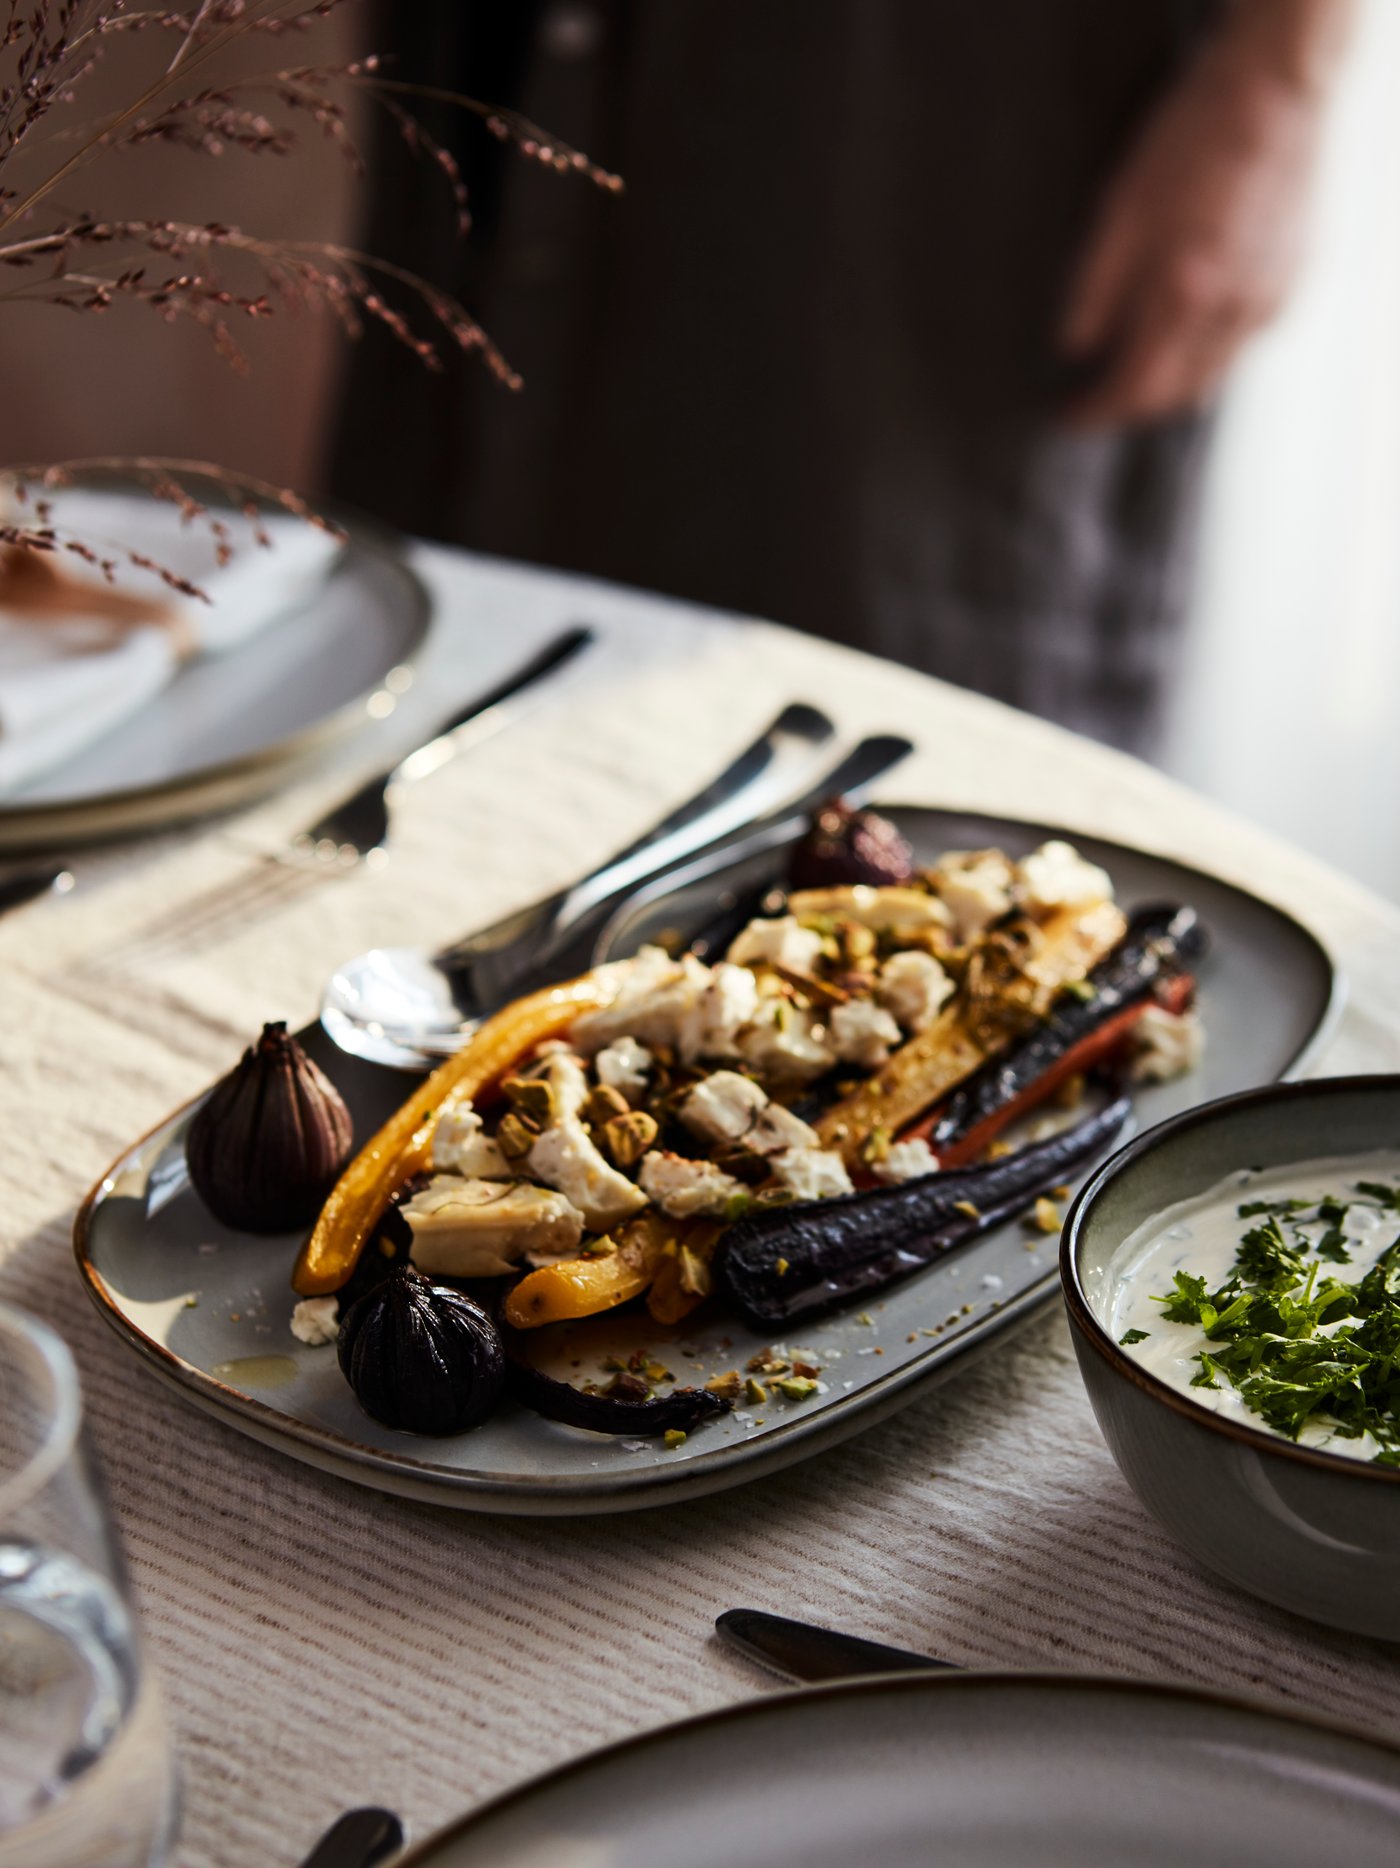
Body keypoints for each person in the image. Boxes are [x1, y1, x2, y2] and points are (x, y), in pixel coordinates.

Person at [330, 0, 1355, 752]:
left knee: (909, 708)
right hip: (521, 70)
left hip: (949, 104)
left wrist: (1276, 80)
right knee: (442, 665)